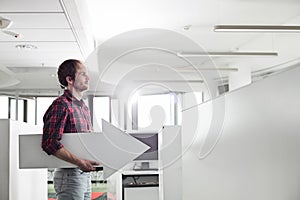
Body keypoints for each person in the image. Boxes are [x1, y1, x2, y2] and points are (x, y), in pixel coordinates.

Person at [41, 59, 100, 200]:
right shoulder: (61, 105)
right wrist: (79, 162)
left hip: (84, 176)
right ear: (70, 79)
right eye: (83, 74)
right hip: (69, 176)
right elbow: (49, 143)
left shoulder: (84, 108)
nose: (88, 77)